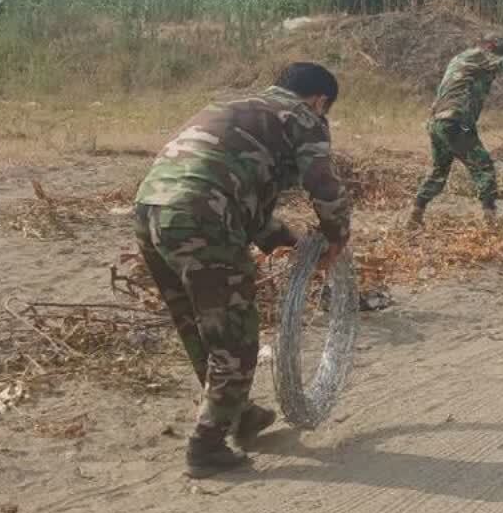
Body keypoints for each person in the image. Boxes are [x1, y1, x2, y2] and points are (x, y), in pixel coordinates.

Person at [134, 63, 352, 476]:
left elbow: (243, 201)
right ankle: (207, 447)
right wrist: (336, 236)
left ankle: (239, 415)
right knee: (235, 337)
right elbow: (322, 183)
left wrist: (289, 244)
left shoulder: (236, 108)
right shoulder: (304, 117)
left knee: (198, 327)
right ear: (320, 100)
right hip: (204, 217)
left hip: (150, 211)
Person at [411, 36, 503, 226]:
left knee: (439, 171)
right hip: (456, 121)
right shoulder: (481, 55)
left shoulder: (460, 58)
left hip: (437, 122)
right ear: (490, 46)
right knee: (484, 168)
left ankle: (415, 214)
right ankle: (490, 222)